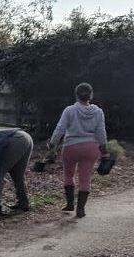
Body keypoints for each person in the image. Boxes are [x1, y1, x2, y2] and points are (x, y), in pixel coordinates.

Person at [49, 82, 108, 218]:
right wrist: (104, 149)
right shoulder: (98, 112)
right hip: (90, 148)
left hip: (71, 146)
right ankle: (81, 209)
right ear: (91, 95)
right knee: (85, 178)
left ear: (76, 95)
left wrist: (52, 144)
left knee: (68, 175)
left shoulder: (69, 110)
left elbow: (60, 129)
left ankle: (70, 204)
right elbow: (101, 132)